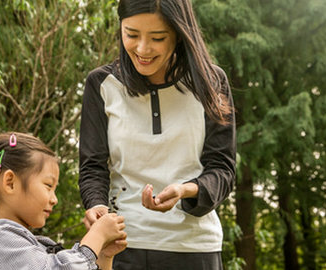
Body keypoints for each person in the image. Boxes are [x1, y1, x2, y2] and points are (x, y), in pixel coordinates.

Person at [78, 0, 236, 269]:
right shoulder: (102, 84)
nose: (142, 49)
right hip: (123, 246)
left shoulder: (211, 82)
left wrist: (185, 190)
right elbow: (93, 167)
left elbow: (222, 169)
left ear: (179, 32)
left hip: (194, 247)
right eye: (131, 34)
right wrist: (96, 206)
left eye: (158, 38)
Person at [0, 132, 128, 270]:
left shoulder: (31, 245)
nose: (54, 199)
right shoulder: (2, 241)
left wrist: (102, 256)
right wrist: (97, 236)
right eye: (48, 186)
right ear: (10, 183)